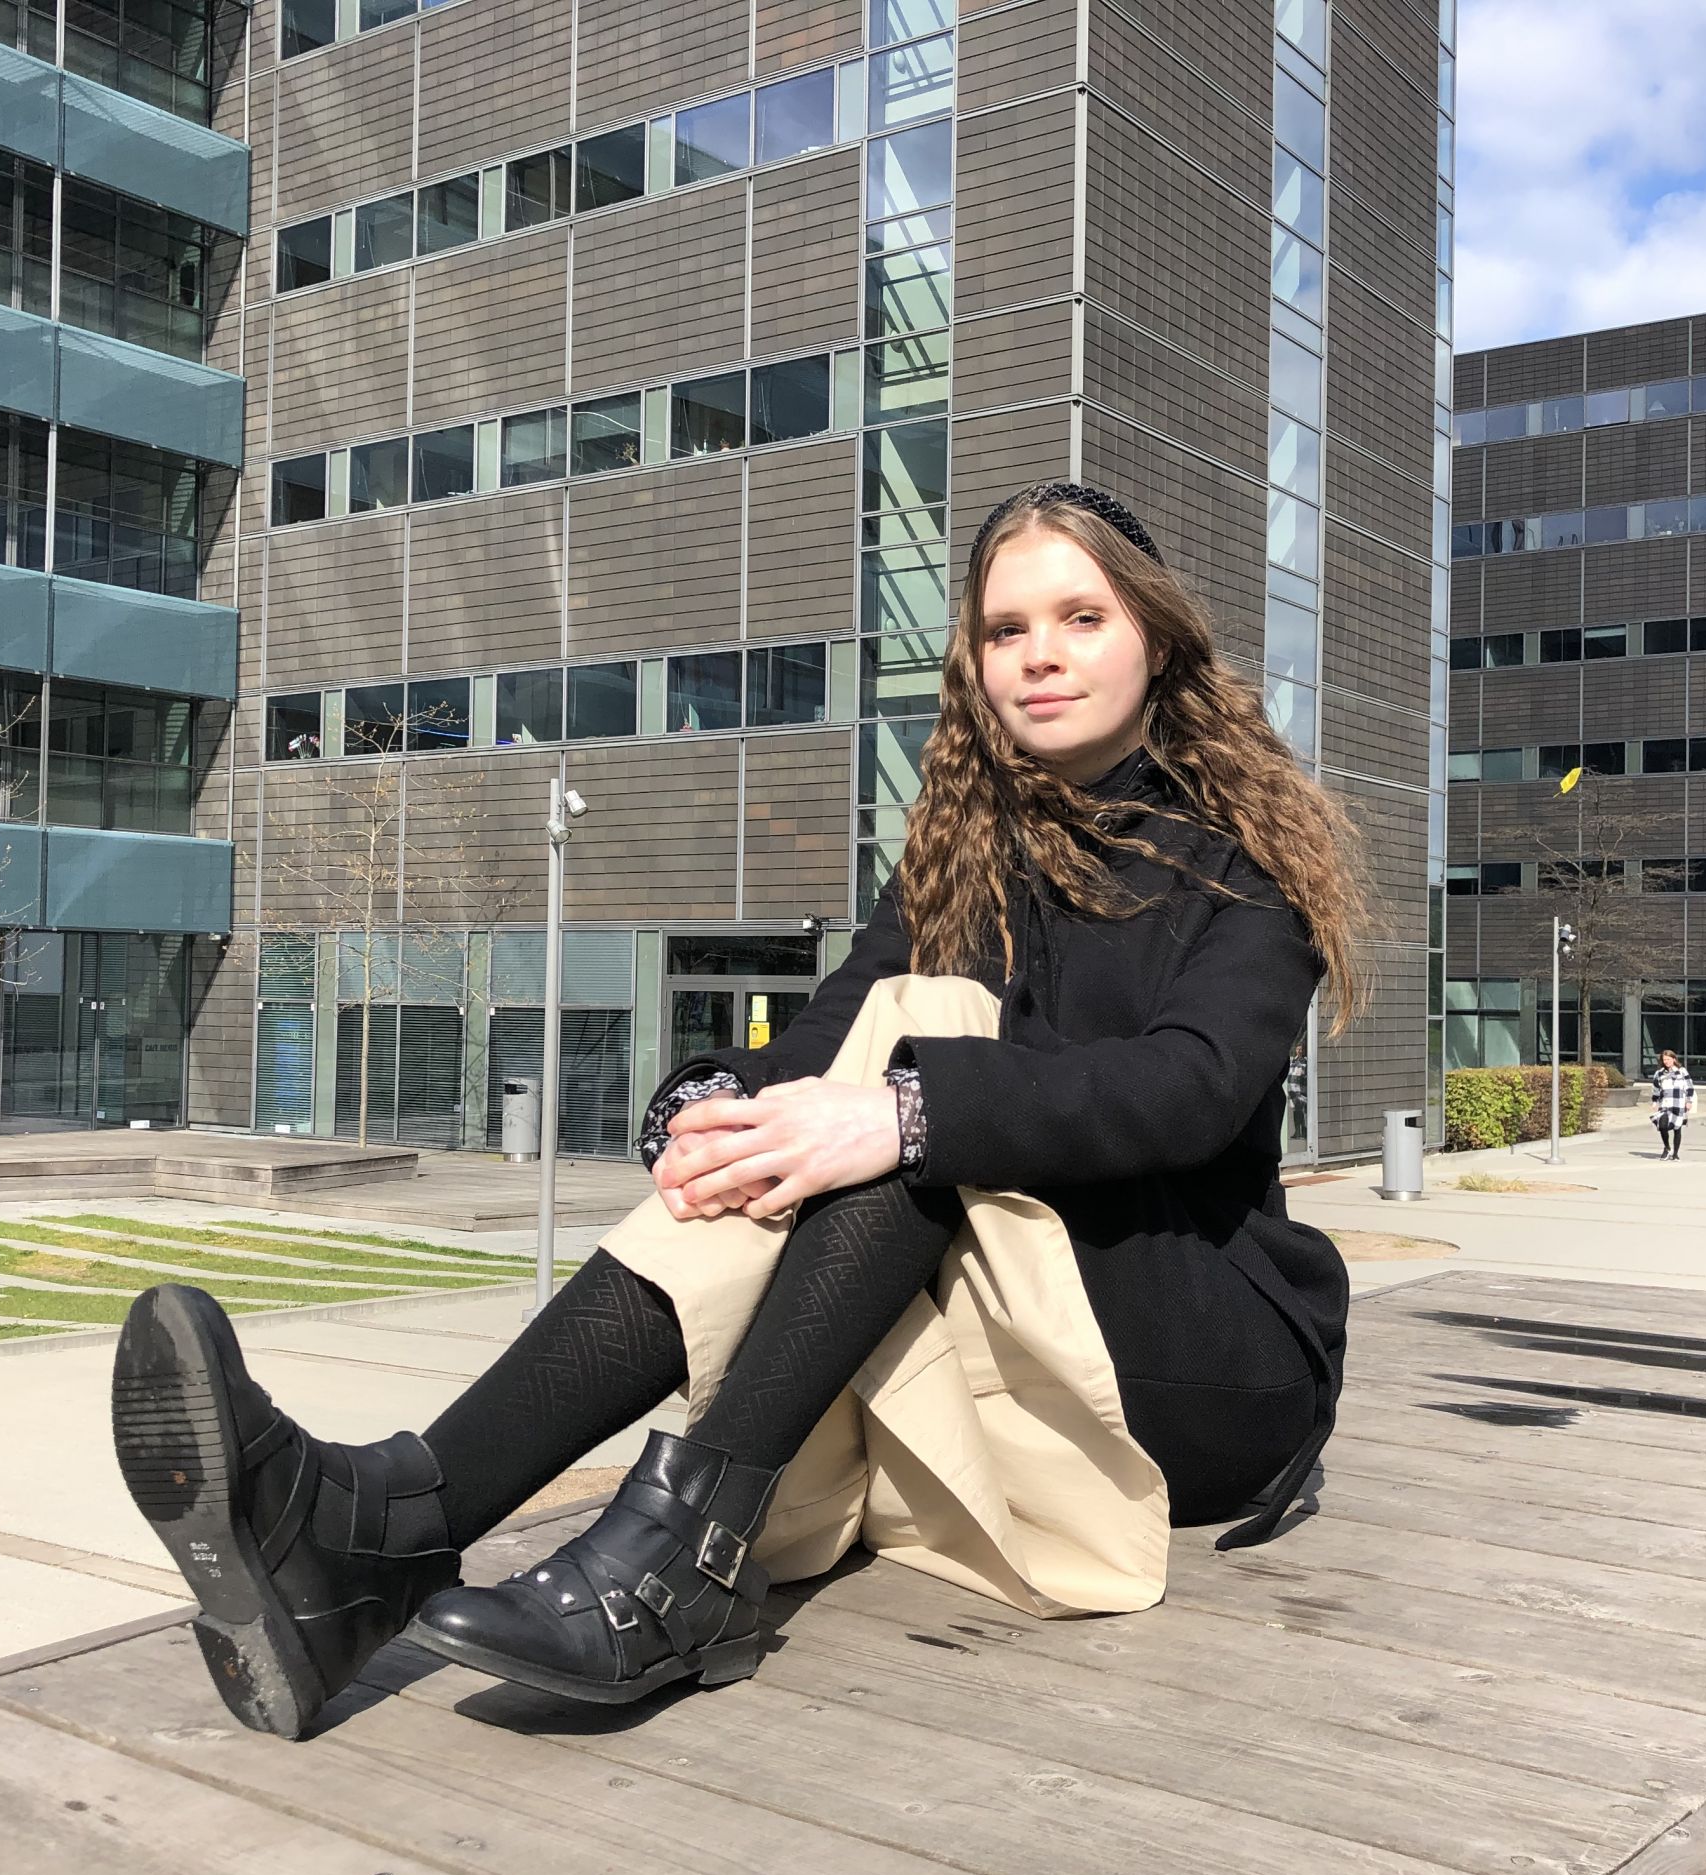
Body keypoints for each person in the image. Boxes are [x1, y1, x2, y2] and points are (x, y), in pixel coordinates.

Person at [109, 481, 1362, 1740]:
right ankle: (380, 1532)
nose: (1038, 654)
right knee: (847, 1103)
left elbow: (1189, 1090)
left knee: (905, 1107)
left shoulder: (1245, 846)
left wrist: (905, 1115)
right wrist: (709, 1107)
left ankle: (584, 1550)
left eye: (1080, 617)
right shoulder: (965, 851)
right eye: (1002, 629)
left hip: (1209, 1366)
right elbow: (821, 1044)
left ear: (1154, 637)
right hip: (1024, 1322)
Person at [1649, 1048, 1695, 1160]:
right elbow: (1655, 1089)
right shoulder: (1659, 1073)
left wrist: (1689, 1101)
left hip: (1678, 1103)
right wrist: (1655, 1102)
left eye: (1668, 1059)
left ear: (1673, 1059)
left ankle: (1675, 1153)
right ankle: (1667, 1147)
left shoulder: (1682, 1071)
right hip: (1665, 1103)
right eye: (1664, 1060)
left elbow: (1689, 1086)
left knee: (1677, 1128)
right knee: (1663, 1126)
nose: (1666, 1062)